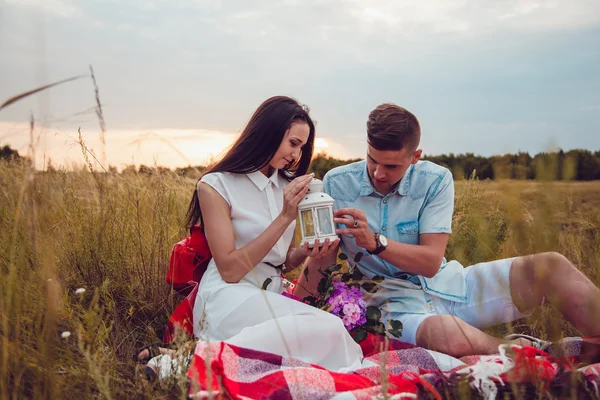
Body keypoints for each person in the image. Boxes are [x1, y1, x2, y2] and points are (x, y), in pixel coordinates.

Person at [296, 103, 600, 358]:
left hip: (450, 284)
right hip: (391, 304)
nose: (378, 173)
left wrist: (375, 242)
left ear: (415, 157)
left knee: (551, 266)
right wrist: (295, 311)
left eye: (391, 166)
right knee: (446, 334)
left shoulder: (435, 179)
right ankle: (531, 353)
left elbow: (430, 262)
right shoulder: (338, 183)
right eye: (372, 160)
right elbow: (322, 256)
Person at [184, 95, 364, 372]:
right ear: (268, 133)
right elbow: (230, 270)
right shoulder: (215, 185)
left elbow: (281, 262)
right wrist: (284, 217)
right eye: (293, 143)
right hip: (229, 295)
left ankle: (203, 357)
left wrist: (305, 252)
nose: (295, 155)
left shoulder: (285, 184)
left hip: (270, 294)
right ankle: (185, 360)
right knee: (327, 328)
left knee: (323, 333)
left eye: (301, 147)